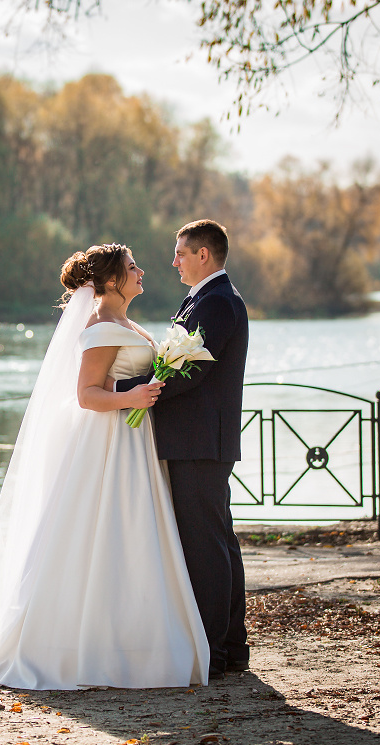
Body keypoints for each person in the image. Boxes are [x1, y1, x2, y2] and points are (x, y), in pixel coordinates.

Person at [0, 244, 209, 690]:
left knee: (132, 533)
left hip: (134, 441)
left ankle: (133, 640)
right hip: (108, 443)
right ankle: (83, 645)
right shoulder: (99, 327)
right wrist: (131, 398)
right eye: (132, 268)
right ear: (111, 281)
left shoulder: (125, 324)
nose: (141, 271)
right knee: (105, 531)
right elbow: (87, 394)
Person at [115, 220, 250, 680]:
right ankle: (231, 648)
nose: (173, 262)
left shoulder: (216, 303)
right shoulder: (205, 299)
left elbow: (188, 371)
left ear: (203, 256)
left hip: (199, 442)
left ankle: (213, 650)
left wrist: (125, 390)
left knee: (206, 546)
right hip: (199, 440)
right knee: (218, 542)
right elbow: (179, 364)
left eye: (180, 253)